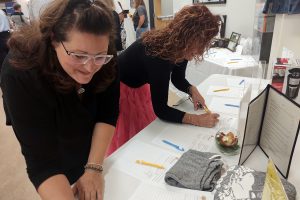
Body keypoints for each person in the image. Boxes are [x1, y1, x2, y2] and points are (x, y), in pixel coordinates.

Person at [1, 0, 119, 199]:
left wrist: (93, 168)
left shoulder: (105, 53)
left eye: (99, 57)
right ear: (54, 39)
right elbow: (42, 163)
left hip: (84, 124)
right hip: (48, 127)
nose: (90, 67)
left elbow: (107, 112)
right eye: (79, 55)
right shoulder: (20, 72)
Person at [107, 4, 220, 155]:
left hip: (138, 83)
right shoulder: (157, 54)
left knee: (147, 130)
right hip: (119, 85)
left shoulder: (181, 47)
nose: (200, 50)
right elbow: (161, 109)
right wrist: (197, 120)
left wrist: (192, 90)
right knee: (129, 139)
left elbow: (178, 78)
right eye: (200, 43)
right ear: (187, 36)